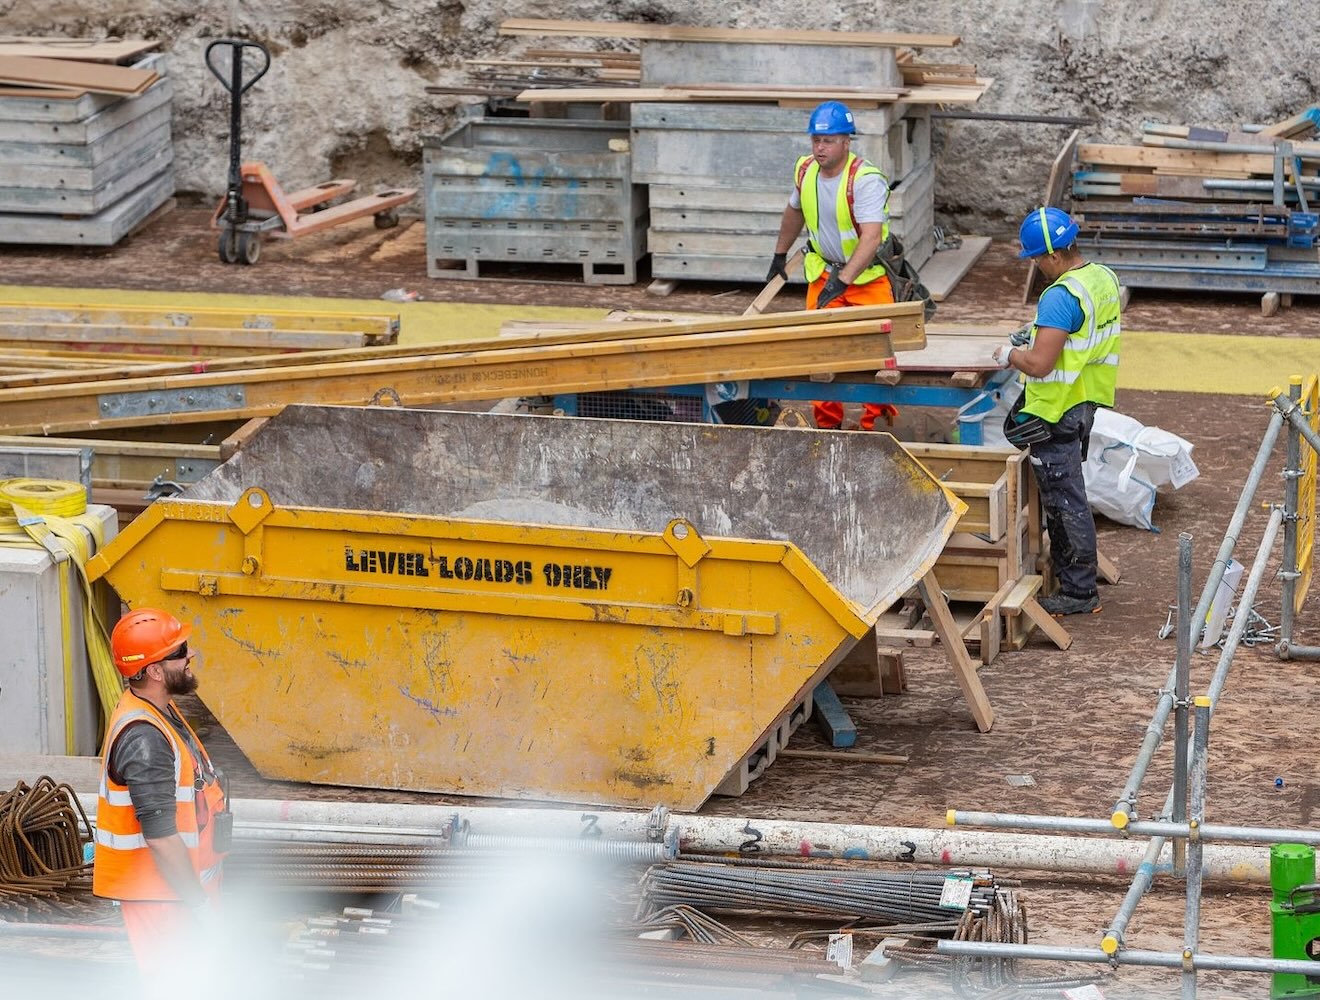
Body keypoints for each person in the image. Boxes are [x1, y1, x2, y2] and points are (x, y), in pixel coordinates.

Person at [993, 207, 1122, 616]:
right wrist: (1034, 333)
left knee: (1066, 502)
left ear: (1053, 255)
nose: (1035, 265)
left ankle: (1079, 592)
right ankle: (1075, 577)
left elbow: (1040, 365)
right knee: (1070, 495)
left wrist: (1010, 353)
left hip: (1056, 410)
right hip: (1084, 401)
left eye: (1036, 258)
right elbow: (1079, 336)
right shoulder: (1101, 278)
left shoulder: (1060, 295)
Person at [94, 607, 230, 974]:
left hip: (179, 894)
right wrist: (198, 905)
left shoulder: (158, 710)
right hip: (167, 902)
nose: (191, 656)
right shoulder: (145, 739)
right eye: (180, 651)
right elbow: (162, 837)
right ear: (155, 670)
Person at [768, 100, 898, 431]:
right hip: (823, 273)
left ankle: (875, 428)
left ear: (846, 141)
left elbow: (870, 239)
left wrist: (844, 280)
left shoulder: (866, 179)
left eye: (827, 141)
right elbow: (793, 211)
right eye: (815, 140)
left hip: (867, 280)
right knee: (820, 356)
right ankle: (827, 428)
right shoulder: (805, 170)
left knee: (877, 359)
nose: (819, 148)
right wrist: (780, 254)